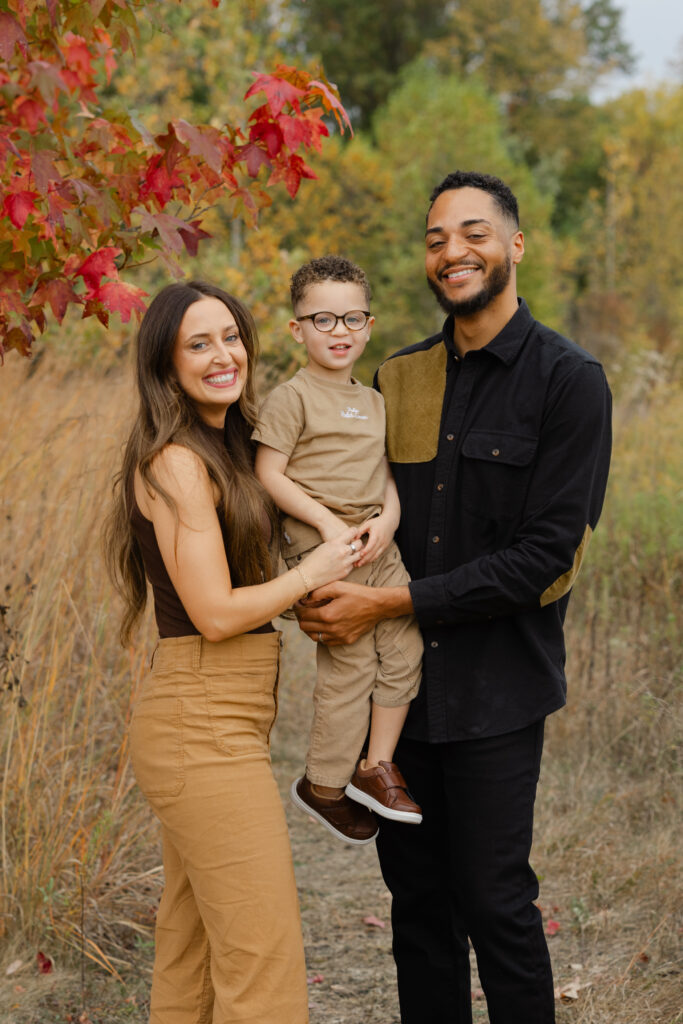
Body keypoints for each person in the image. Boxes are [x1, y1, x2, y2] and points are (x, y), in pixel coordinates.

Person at [296, 172, 612, 1023]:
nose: (452, 252)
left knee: (496, 903)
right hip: (396, 696)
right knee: (418, 911)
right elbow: (348, 499)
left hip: (498, 690)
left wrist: (389, 606)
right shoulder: (396, 380)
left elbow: (546, 561)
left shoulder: (568, 382)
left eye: (472, 233)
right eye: (436, 239)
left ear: (514, 246)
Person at [104, 280, 362, 1024]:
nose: (223, 355)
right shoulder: (177, 461)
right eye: (198, 343)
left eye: (231, 336)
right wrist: (311, 575)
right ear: (165, 364)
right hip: (200, 727)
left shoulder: (230, 448)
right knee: (262, 959)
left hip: (221, 720)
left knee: (192, 954)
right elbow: (215, 615)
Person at [252, 256, 424, 847]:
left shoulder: (375, 401)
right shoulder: (291, 398)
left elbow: (386, 472)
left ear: (370, 326)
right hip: (320, 546)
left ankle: (375, 767)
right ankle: (323, 785)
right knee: (351, 662)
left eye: (352, 317)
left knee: (405, 644)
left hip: (375, 539)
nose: (339, 330)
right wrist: (328, 526)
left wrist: (391, 518)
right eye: (322, 318)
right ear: (297, 329)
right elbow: (269, 473)